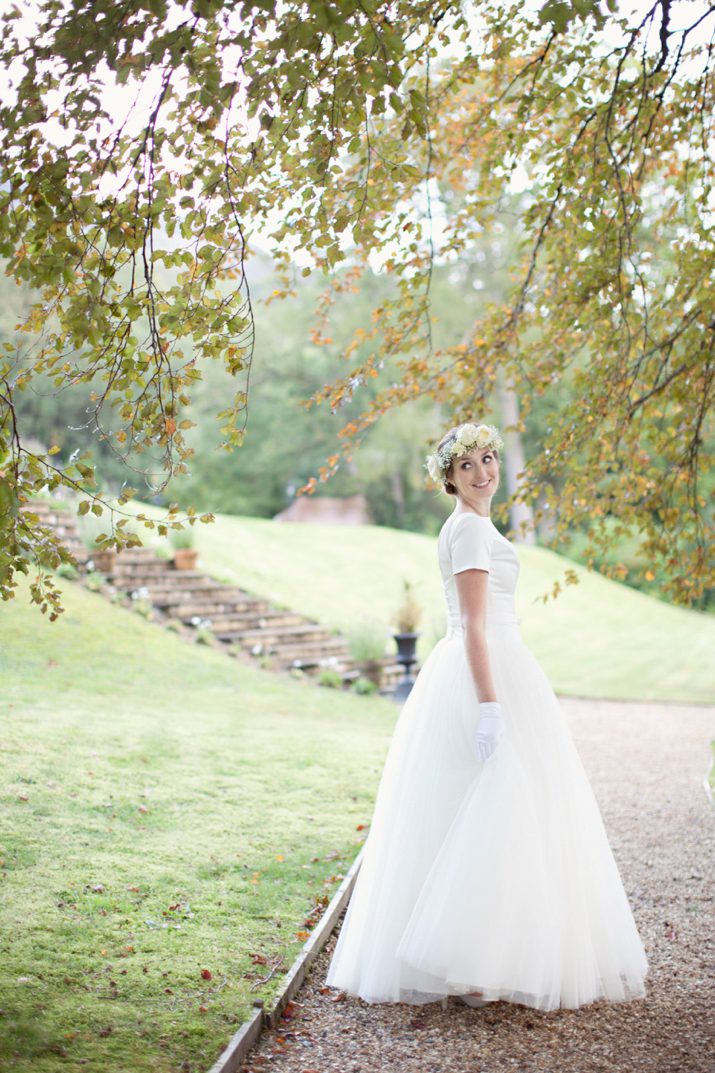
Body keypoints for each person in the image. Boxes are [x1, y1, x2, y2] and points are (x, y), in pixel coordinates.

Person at [327, 422, 647, 1010]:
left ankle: (473, 961)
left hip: (478, 666)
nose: (483, 471)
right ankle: (476, 960)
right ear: (448, 478)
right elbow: (475, 625)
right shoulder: (470, 530)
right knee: (500, 802)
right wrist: (492, 707)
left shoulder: (469, 526)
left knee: (473, 806)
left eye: (489, 458)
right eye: (468, 464)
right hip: (485, 670)